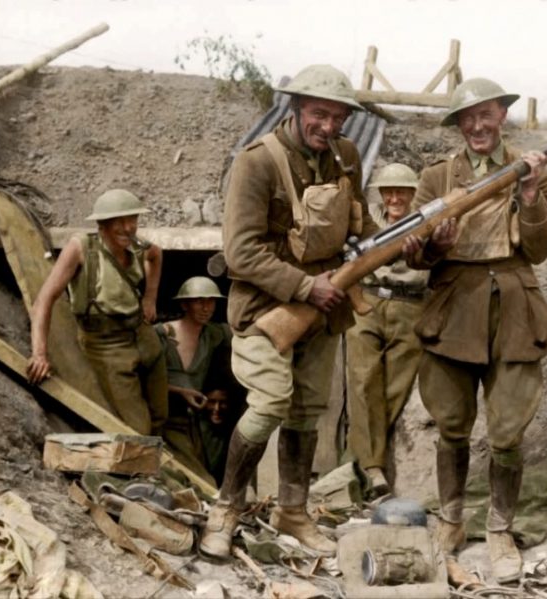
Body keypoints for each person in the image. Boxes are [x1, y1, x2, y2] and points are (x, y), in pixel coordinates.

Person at [199, 64, 379, 560]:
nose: (329, 126)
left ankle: (293, 512)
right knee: (272, 402)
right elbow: (241, 251)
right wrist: (304, 286)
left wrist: (401, 240)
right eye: (319, 114)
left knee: (307, 409)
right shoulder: (257, 162)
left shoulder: (346, 156)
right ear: (295, 108)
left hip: (324, 306)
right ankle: (227, 506)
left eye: (338, 117)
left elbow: (361, 224)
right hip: (265, 307)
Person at [402, 78, 547, 584]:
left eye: (485, 114)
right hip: (453, 307)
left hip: (513, 302)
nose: (476, 126)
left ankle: (499, 529)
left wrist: (530, 195)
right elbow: (415, 254)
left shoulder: (529, 169)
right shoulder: (436, 176)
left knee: (509, 429)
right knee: (451, 421)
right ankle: (450, 520)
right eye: (466, 118)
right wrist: (436, 246)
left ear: (502, 116)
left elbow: (538, 250)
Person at [27, 189, 167, 435]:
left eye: (132, 220)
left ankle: (165, 462)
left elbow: (156, 255)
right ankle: (146, 464)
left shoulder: (136, 245)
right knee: (138, 430)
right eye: (119, 222)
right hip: (107, 346)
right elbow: (44, 300)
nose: (128, 228)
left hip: (143, 336)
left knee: (162, 415)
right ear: (102, 225)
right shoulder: (82, 248)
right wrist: (39, 354)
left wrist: (150, 298)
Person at [345, 163, 428, 496]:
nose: (395, 198)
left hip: (410, 306)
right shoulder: (367, 222)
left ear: (413, 193)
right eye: (389, 192)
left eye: (402, 192)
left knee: (396, 386)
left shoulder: (426, 221)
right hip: (368, 300)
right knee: (365, 380)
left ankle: (358, 461)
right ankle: (373, 469)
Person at [156, 276, 244, 484]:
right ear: (184, 304)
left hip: (196, 423)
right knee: (199, 481)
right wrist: (180, 391)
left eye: (211, 301)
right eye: (199, 301)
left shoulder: (213, 334)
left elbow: (245, 333)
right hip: (165, 421)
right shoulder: (160, 334)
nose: (206, 308)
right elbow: (141, 381)